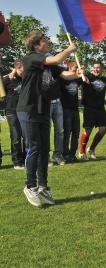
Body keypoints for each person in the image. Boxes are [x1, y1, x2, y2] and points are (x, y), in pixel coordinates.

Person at [17, 30, 79, 207]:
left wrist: (77, 73)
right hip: (28, 109)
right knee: (34, 147)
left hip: (43, 109)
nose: (47, 41)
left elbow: (64, 74)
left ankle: (43, 187)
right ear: (36, 45)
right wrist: (69, 49)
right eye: (44, 40)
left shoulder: (48, 63)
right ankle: (30, 186)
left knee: (45, 149)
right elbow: (58, 59)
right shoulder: (31, 58)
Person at [79, 62, 106, 160]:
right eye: (94, 68)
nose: (96, 69)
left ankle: (91, 149)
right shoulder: (86, 77)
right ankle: (81, 152)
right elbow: (79, 77)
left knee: (103, 130)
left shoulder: (105, 80)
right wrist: (81, 72)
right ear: (92, 69)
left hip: (100, 108)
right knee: (88, 130)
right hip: (89, 108)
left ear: (102, 69)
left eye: (98, 68)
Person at [3, 59, 25, 169]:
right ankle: (17, 161)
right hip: (12, 111)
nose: (24, 73)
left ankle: (26, 159)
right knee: (15, 137)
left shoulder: (26, 77)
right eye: (22, 71)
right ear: (16, 68)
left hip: (24, 110)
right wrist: (11, 74)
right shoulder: (7, 79)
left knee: (26, 136)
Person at [60, 60, 83, 163]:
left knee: (76, 133)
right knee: (67, 133)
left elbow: (84, 78)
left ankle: (72, 154)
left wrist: (82, 72)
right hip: (65, 109)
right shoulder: (63, 78)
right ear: (70, 67)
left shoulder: (77, 79)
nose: (77, 68)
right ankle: (65, 154)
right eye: (75, 67)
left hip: (75, 109)